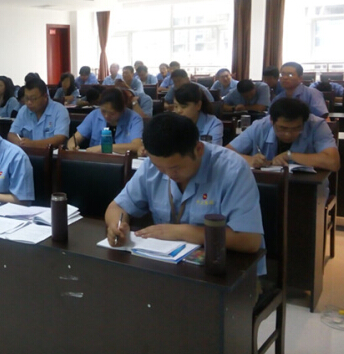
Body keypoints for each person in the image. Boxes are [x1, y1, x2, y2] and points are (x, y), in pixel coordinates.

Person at [104, 113, 264, 273]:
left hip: (229, 270)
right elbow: (117, 207)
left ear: (199, 149)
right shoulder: (152, 165)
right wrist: (116, 227)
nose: (168, 174)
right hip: (170, 267)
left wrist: (184, 232)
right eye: (160, 167)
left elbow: (250, 240)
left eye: (175, 168)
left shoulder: (233, 170)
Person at [227, 98, 339, 171]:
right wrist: (250, 160)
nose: (288, 134)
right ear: (272, 120)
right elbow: (226, 154)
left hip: (308, 188)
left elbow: (333, 162)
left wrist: (290, 155)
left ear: (304, 122)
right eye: (282, 128)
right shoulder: (260, 126)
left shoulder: (317, 126)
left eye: (296, 128)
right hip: (264, 185)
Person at [67, 87, 143, 154]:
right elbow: (75, 138)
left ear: (122, 110)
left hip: (122, 161)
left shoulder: (134, 119)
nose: (106, 116)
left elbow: (137, 146)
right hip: (97, 161)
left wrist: (104, 148)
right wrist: (72, 145)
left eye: (112, 113)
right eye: (103, 111)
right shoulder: (94, 115)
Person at [8, 76, 70, 149]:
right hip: (26, 153)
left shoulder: (60, 110)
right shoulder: (24, 110)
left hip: (51, 154)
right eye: (26, 98)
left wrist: (32, 144)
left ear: (45, 96)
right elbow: (12, 134)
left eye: (33, 99)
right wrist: (20, 142)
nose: (29, 102)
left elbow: (59, 138)